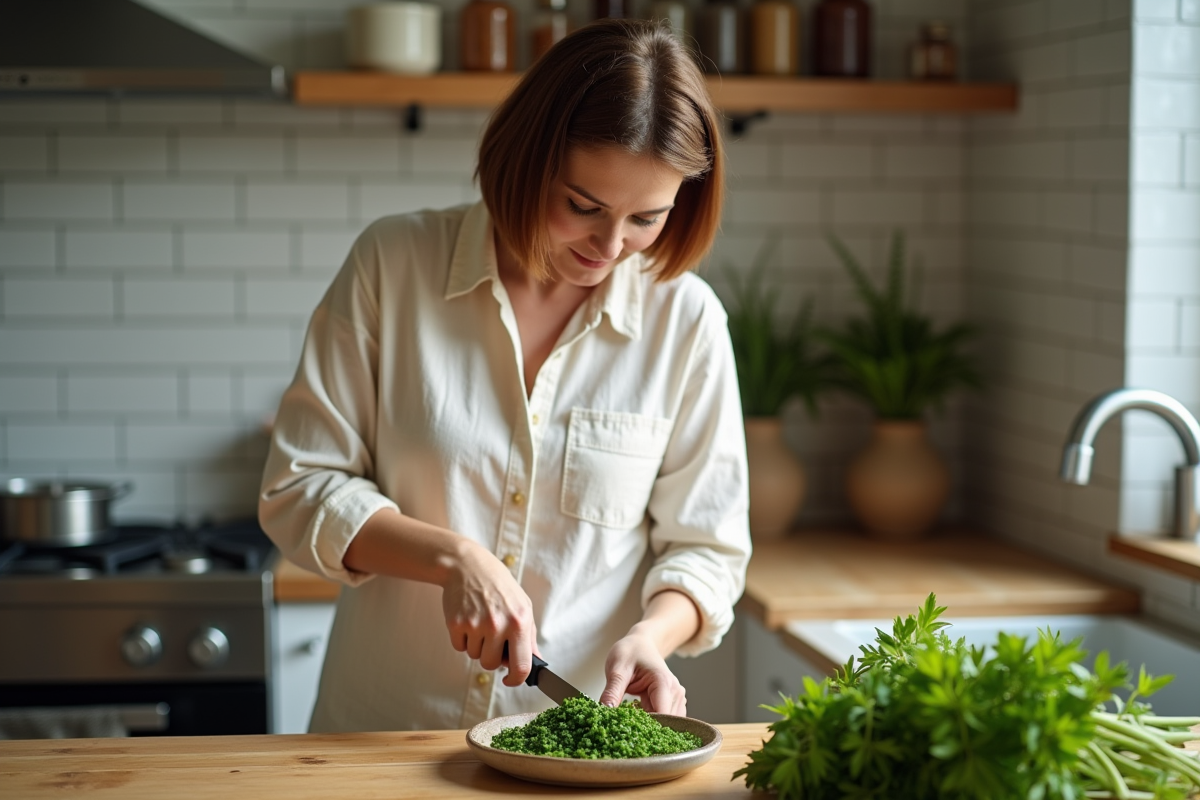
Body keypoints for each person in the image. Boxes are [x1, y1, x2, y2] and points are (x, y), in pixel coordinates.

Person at [258, 17, 752, 733]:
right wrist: (452, 557)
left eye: (646, 218)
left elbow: (707, 547)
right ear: (525, 159)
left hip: (566, 745)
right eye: (583, 206)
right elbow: (299, 487)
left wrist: (655, 635)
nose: (610, 245)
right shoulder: (392, 265)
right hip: (383, 733)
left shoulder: (686, 322)